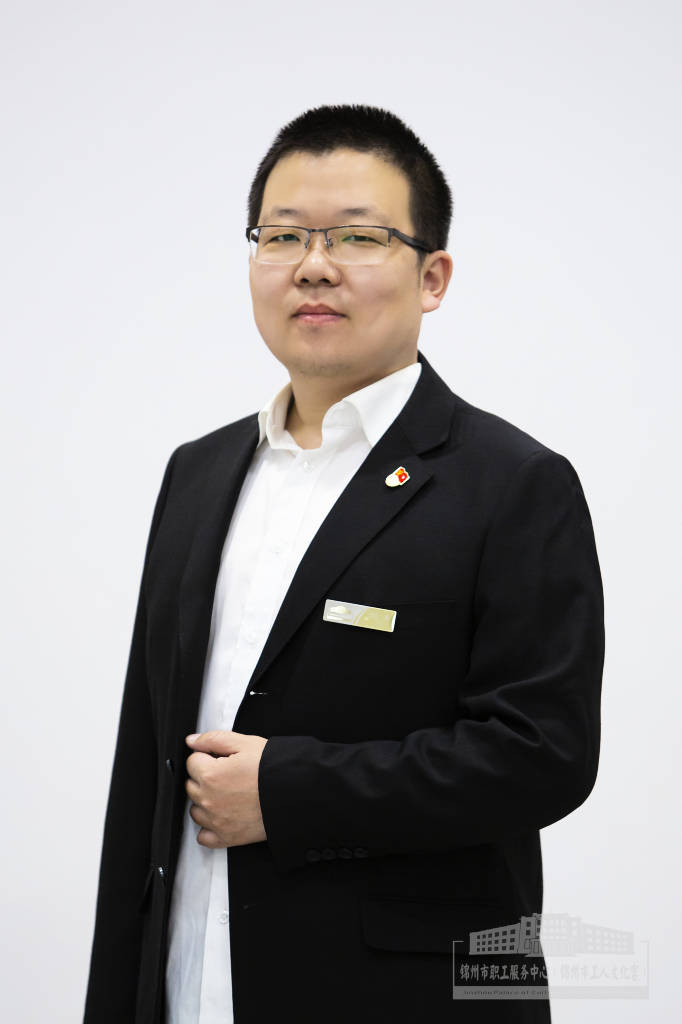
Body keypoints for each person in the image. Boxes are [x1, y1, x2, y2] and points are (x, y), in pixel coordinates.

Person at [83, 103, 604, 1024]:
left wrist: (286, 792)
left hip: (403, 997)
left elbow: (544, 756)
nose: (313, 265)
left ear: (432, 277)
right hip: (189, 984)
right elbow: (145, 771)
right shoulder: (198, 472)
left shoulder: (513, 483)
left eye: (358, 236)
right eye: (283, 235)